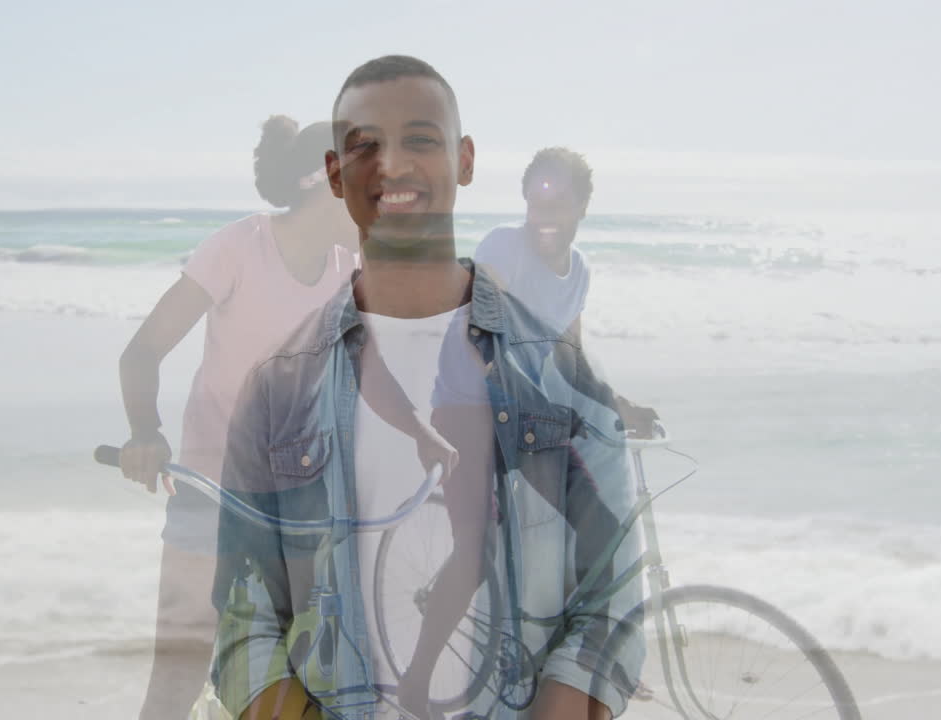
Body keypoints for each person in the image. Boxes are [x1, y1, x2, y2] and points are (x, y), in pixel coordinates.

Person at [211, 55, 645, 720]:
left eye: (421, 139)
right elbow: (245, 622)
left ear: (464, 159)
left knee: (468, 552)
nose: (393, 164)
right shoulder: (277, 386)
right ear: (334, 173)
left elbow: (612, 592)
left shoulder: (560, 373)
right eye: (364, 145)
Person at [116, 115, 360, 720]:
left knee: (309, 684)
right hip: (212, 489)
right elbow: (142, 352)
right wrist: (145, 434)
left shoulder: (348, 272)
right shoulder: (237, 249)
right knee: (177, 677)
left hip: (299, 501)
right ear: (327, 182)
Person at [474, 147, 659, 437]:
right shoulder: (504, 246)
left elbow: (571, 363)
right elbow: (479, 342)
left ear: (582, 207)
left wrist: (620, 406)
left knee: (586, 477)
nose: (544, 216)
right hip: (469, 412)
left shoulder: (579, 270)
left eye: (558, 204)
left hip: (520, 423)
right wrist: (542, 410)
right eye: (537, 204)